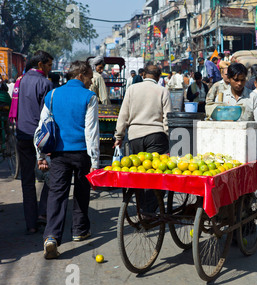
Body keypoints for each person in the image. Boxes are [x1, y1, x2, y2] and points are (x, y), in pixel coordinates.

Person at [36, 60, 100, 259]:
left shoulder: (53, 95)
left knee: (57, 194)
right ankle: (79, 230)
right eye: (89, 77)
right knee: (82, 191)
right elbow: (91, 132)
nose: (91, 81)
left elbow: (41, 129)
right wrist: (95, 163)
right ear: (81, 75)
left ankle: (52, 237)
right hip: (81, 153)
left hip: (59, 154)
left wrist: (41, 155)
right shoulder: (89, 96)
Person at [114, 63, 172, 215]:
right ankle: (149, 209)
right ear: (158, 77)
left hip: (135, 137)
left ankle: (142, 207)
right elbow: (167, 118)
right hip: (156, 136)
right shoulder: (162, 90)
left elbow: (123, 115)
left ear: (144, 75)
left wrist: (118, 136)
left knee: (140, 172)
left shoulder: (132, 89)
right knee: (156, 174)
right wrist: (169, 137)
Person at [13, 50, 53, 234]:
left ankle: (31, 224)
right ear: (40, 65)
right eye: (49, 65)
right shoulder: (45, 83)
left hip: (22, 135)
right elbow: (47, 115)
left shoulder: (19, 81)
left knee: (27, 181)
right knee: (52, 175)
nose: (50, 69)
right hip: (40, 138)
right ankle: (43, 213)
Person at [207, 63, 257, 142]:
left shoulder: (253, 97)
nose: (239, 83)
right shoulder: (221, 97)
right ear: (229, 78)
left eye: (242, 80)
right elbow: (216, 124)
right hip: (226, 141)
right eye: (236, 80)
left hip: (248, 141)